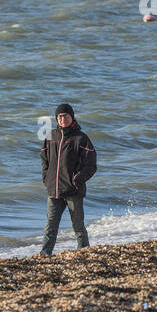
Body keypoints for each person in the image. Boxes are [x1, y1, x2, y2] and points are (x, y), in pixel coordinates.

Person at [40, 103, 96, 256]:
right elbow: (44, 159)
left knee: (78, 225)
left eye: (65, 116)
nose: (62, 119)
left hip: (73, 190)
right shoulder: (50, 136)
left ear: (72, 117)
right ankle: (45, 254)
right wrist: (46, 177)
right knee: (50, 226)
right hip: (54, 189)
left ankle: (84, 252)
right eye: (59, 116)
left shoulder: (81, 138)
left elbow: (91, 165)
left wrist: (77, 179)